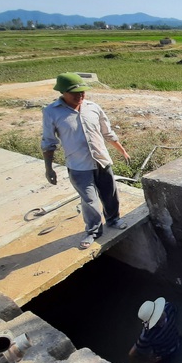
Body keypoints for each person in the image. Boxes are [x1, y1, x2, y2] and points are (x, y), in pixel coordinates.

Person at [41, 72, 130, 249]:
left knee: (110, 194)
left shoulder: (93, 107)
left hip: (101, 161)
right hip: (78, 165)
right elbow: (48, 143)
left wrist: (123, 151)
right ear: (63, 92)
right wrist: (49, 169)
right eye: (75, 93)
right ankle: (93, 231)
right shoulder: (52, 112)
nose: (80, 96)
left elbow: (107, 132)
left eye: (82, 92)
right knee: (90, 201)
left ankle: (113, 220)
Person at [129, 297, 182, 363]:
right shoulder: (147, 334)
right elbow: (132, 353)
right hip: (164, 355)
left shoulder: (170, 308)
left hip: (177, 341)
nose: (161, 317)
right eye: (157, 320)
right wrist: (148, 361)